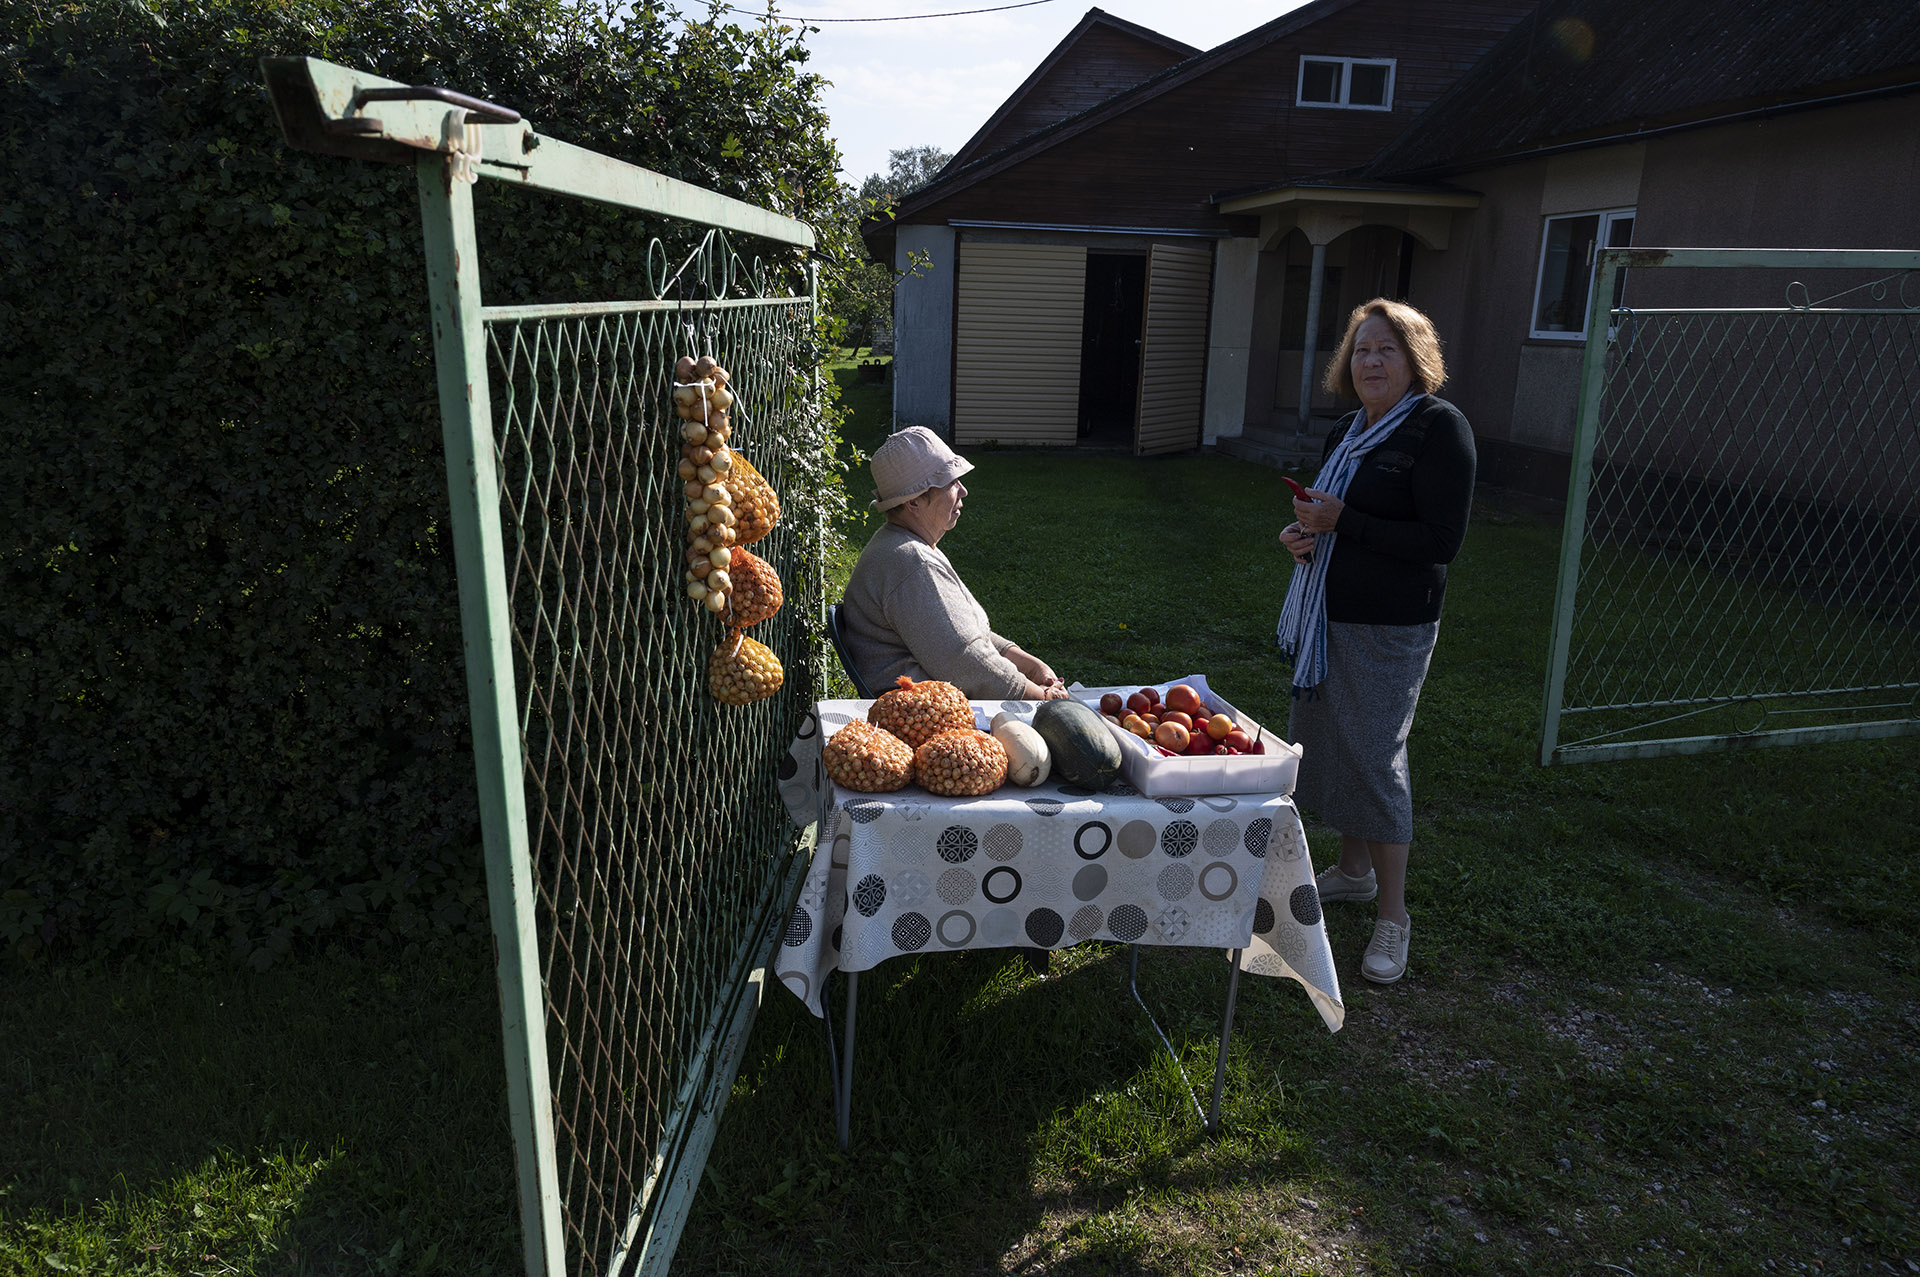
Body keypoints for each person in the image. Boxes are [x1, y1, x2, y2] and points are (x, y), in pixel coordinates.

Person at [1275, 298, 1475, 985]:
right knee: (1335, 741)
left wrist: (1344, 522)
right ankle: (1354, 870)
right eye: (1361, 349)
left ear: (1415, 359)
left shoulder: (1439, 428)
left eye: (1387, 348)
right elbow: (1331, 516)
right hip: (1329, 614)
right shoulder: (1346, 429)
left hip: (1393, 626)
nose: (1371, 361)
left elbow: (1440, 541)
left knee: (1376, 755)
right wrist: (1304, 535)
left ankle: (1394, 915)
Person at [841, 426, 1070, 701]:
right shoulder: (912, 562)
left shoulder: (905, 546)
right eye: (951, 482)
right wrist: (1041, 697)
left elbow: (967, 633)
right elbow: (967, 661)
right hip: (921, 714)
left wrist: (1031, 666)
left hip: (933, 704)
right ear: (914, 502)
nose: (963, 491)